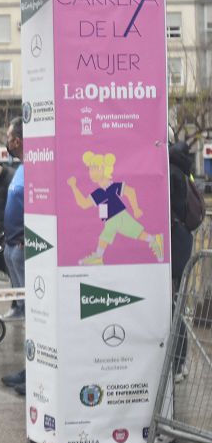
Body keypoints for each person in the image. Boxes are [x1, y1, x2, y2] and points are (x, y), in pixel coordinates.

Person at [67, 151, 164, 265]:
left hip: (118, 216)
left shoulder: (111, 187)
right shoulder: (98, 193)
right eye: (90, 169)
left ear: (104, 169)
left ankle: (98, 256)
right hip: (112, 219)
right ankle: (154, 239)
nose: (91, 172)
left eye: (94, 168)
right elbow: (83, 204)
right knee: (134, 233)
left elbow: (130, 191)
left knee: (109, 232)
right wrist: (73, 187)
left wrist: (136, 209)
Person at [1, 118, 27, 393]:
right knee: (30, 314)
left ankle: (34, 372)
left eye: (9, 137)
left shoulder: (38, 164)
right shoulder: (21, 166)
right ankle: (29, 367)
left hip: (23, 246)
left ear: (17, 140)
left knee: (36, 311)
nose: (7, 142)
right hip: (13, 244)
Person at [169, 140, 197, 380]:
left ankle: (177, 363)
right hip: (182, 240)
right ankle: (180, 362)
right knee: (175, 302)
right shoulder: (184, 171)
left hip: (174, 243)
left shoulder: (171, 173)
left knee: (172, 306)